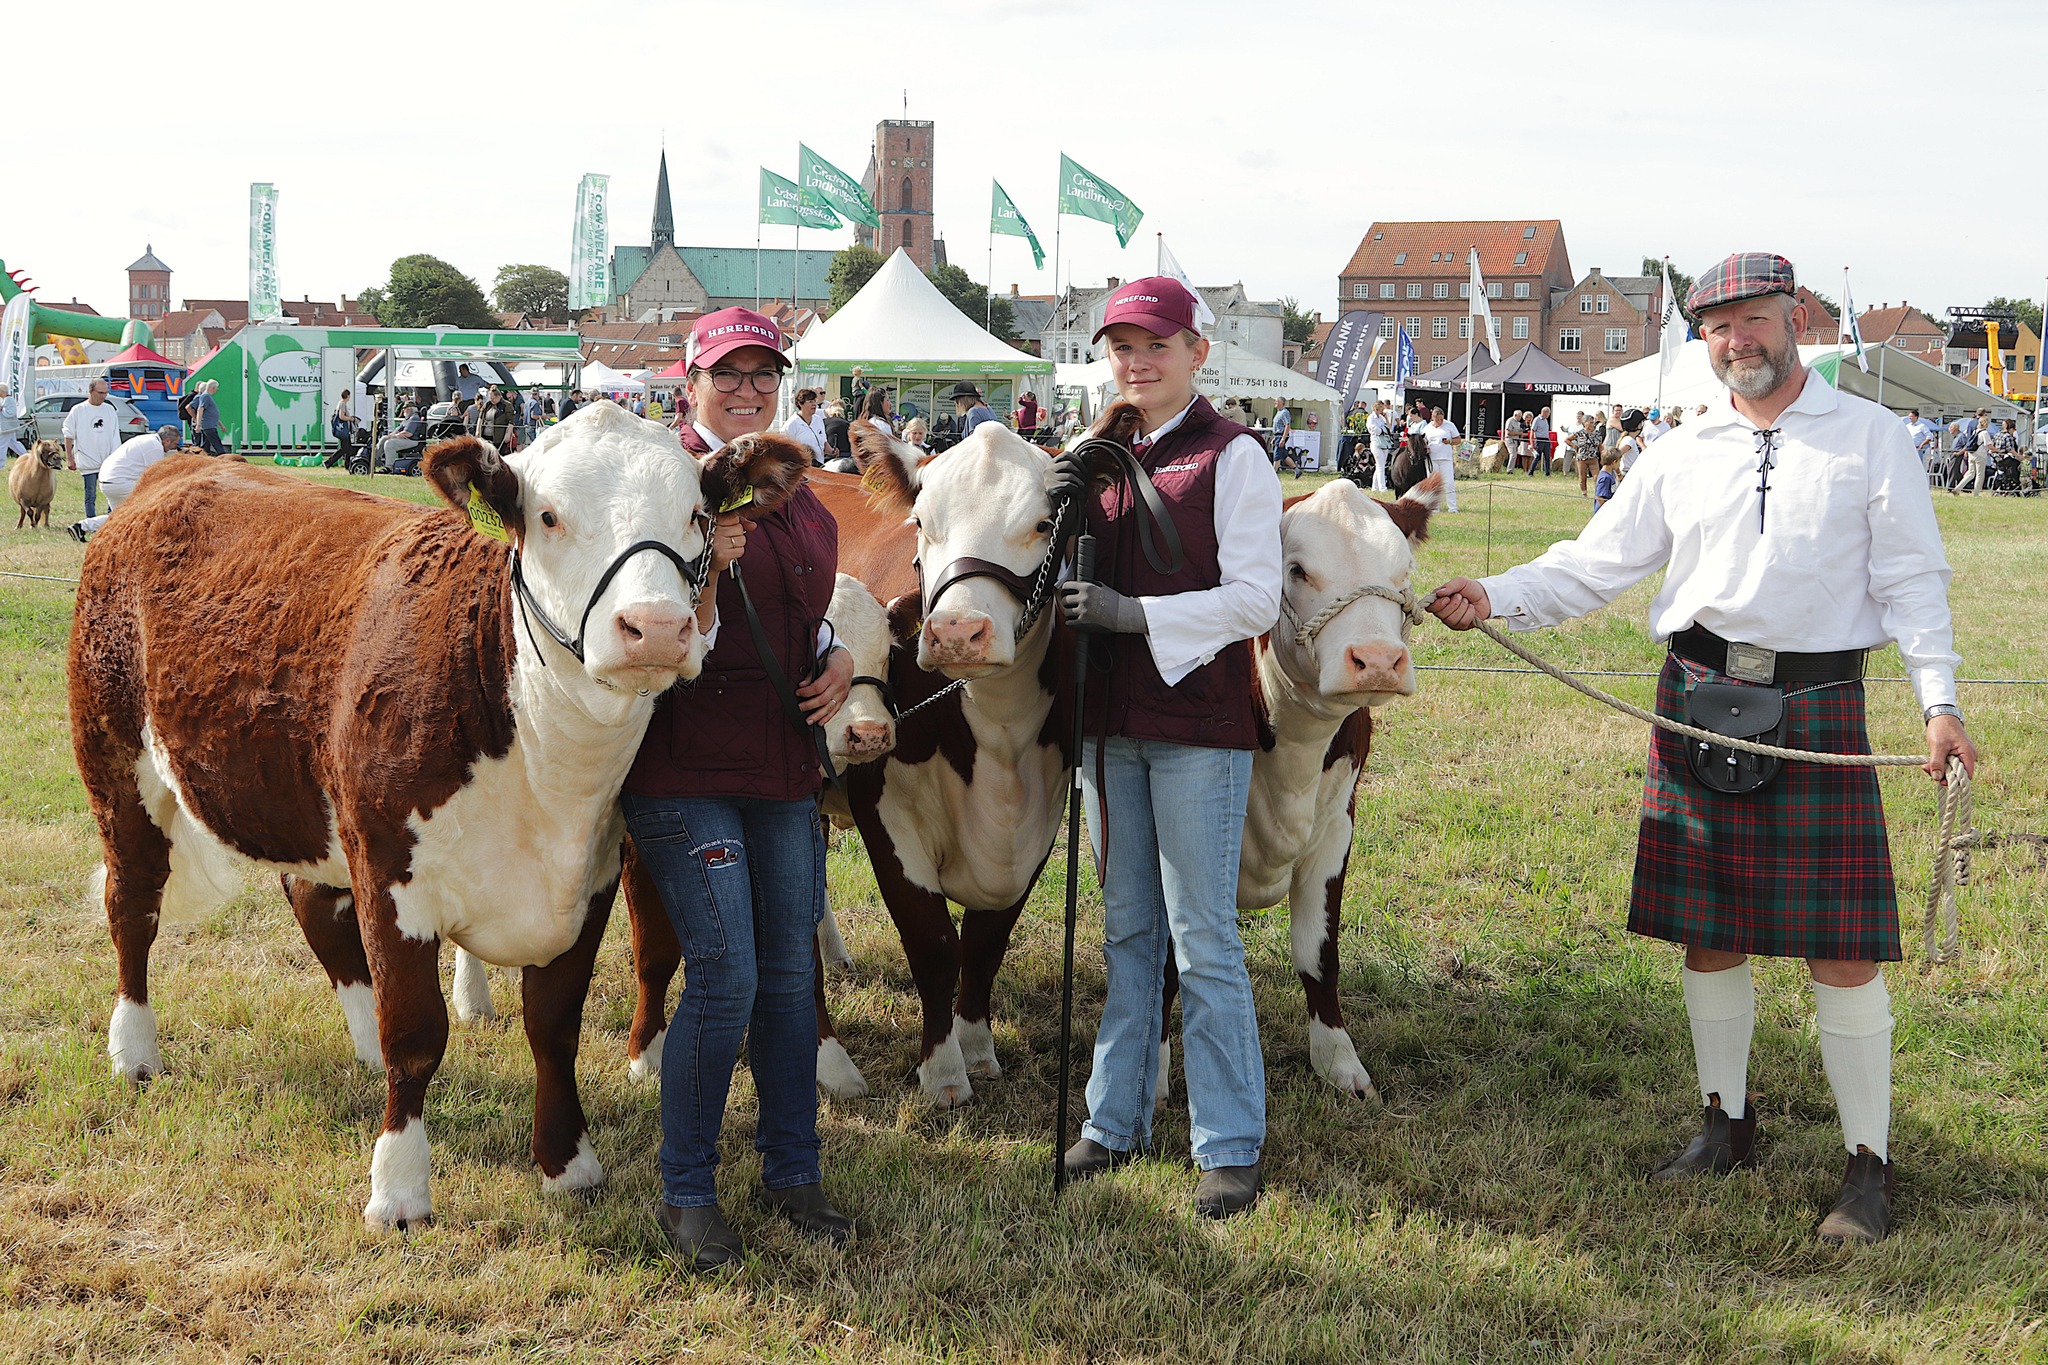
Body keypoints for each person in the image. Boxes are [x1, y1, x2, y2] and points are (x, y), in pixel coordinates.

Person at [1429, 252, 1976, 1245]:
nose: (1738, 341)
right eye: (1717, 327)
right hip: (1695, 700)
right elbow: (1595, 564)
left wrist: (1935, 703)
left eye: (1754, 320)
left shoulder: (1867, 438)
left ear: (1794, 316)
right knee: (1708, 927)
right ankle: (1724, 1122)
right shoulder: (1679, 448)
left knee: (1839, 948)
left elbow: (1910, 580)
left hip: (1815, 705)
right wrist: (1493, 595)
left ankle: (1867, 1163)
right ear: (1701, 340)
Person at [1044, 276, 1280, 1220]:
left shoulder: (1237, 456)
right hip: (1109, 724)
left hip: (1196, 728)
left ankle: (1228, 1141)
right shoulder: (1095, 453)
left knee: (1203, 938)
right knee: (1129, 930)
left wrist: (1133, 614)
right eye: (1122, 348)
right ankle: (1115, 1118)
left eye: (1156, 346)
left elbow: (1257, 597)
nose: (1137, 363)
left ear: (1197, 353)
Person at [624, 307, 854, 1271]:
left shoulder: (795, 486)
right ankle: (688, 1189)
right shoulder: (660, 482)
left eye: (765, 374)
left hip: (783, 765)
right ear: (690, 383)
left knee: (793, 978)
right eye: (731, 374)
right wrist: (708, 577)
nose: (750, 389)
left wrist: (838, 659)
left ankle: (792, 1171)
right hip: (685, 769)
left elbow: (808, 616)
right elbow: (660, 643)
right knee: (726, 976)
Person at [68, 425, 180, 541]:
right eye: (174, 444)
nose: (174, 448)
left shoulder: (146, 440)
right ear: (166, 440)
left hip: (108, 480)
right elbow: (155, 476)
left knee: (119, 517)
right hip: (120, 482)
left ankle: (82, 526)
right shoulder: (155, 447)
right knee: (143, 511)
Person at [62, 380, 125, 517]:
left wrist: (117, 457)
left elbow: (115, 434)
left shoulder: (109, 409)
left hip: (108, 460)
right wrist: (69, 458)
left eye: (106, 393)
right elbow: (68, 433)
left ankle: (110, 520)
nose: (103, 396)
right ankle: (90, 521)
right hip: (87, 459)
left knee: (111, 492)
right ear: (91, 392)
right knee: (90, 494)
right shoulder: (78, 410)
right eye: (100, 393)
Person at [1423, 405, 1460, 511]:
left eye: (1441, 419)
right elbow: (1423, 441)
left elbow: (1458, 440)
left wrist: (1449, 442)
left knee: (1449, 483)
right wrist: (1426, 449)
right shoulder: (1427, 428)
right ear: (1432, 418)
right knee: (1433, 484)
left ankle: (1452, 507)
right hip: (1432, 459)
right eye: (1437, 419)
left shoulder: (1449, 425)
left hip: (1446, 459)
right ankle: (1435, 507)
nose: (1439, 421)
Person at [783, 387, 827, 465]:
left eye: (815, 401)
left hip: (820, 466)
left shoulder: (818, 420)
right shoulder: (791, 424)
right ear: (800, 403)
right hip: (802, 468)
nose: (814, 404)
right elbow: (785, 451)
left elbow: (824, 443)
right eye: (810, 401)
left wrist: (832, 451)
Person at [326, 392, 361, 469]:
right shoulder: (342, 404)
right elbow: (341, 416)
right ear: (347, 396)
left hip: (345, 430)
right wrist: (350, 419)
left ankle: (347, 465)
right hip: (343, 430)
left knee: (348, 448)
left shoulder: (341, 403)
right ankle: (328, 462)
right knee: (345, 448)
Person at [1530, 406, 1553, 476]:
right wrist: (1532, 443)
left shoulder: (1545, 420)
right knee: (1537, 457)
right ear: (1544, 412)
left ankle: (1547, 473)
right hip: (1539, 440)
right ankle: (1531, 472)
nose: (1548, 415)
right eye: (1548, 414)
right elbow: (1532, 431)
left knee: (1547, 457)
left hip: (1546, 440)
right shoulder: (1537, 420)